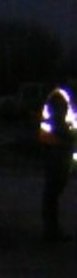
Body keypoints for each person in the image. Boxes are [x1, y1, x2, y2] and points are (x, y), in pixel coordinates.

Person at [41, 81, 77, 241]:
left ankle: (51, 230)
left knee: (53, 191)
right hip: (57, 148)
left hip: (58, 148)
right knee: (53, 191)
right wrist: (70, 137)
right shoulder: (60, 98)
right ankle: (51, 231)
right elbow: (60, 125)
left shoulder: (62, 97)